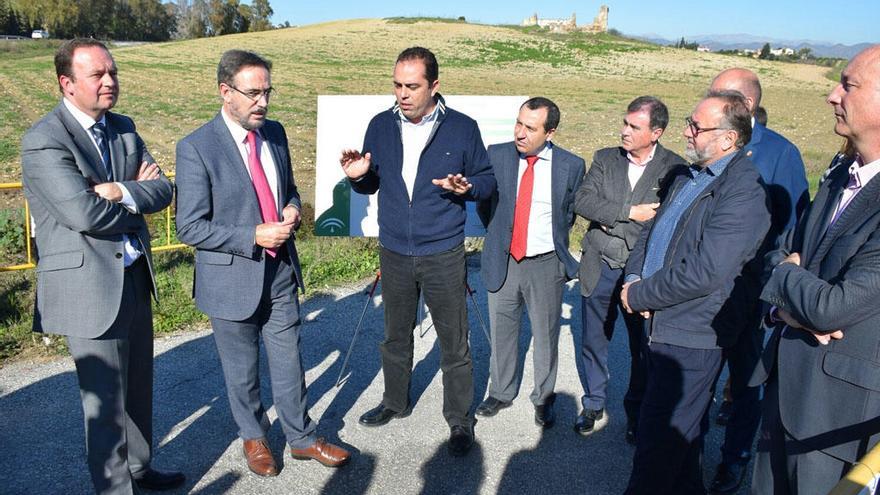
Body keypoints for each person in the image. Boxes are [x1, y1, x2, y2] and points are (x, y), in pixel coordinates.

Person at [175, 49, 350, 477]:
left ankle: (302, 438)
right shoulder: (196, 147)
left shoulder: (275, 133)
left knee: (290, 360)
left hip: (280, 272)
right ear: (225, 91)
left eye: (267, 91)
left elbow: (288, 189)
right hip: (230, 279)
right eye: (253, 93)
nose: (264, 102)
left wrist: (291, 208)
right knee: (242, 371)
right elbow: (189, 227)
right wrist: (250, 235)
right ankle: (254, 437)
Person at [20, 38, 182, 494]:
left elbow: (164, 190)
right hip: (87, 286)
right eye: (98, 75)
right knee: (106, 405)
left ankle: (140, 470)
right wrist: (133, 192)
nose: (110, 81)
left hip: (132, 274)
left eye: (112, 72)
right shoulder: (44, 140)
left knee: (138, 390)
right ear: (67, 83)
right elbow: (83, 215)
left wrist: (116, 190)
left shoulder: (123, 127)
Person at [339, 46, 495, 456]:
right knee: (394, 335)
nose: (402, 94)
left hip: (443, 250)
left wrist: (469, 188)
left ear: (435, 85)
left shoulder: (462, 128)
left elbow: (486, 180)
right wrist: (359, 177)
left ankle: (460, 421)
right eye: (396, 85)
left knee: (453, 342)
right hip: (393, 250)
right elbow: (371, 184)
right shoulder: (379, 125)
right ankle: (395, 401)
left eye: (412, 86)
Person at [620, 91, 771, 494]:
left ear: (727, 139)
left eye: (695, 126)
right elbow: (652, 231)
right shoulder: (690, 176)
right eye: (689, 121)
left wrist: (641, 295)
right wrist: (633, 277)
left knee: (655, 451)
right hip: (661, 324)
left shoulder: (744, 193)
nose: (686, 132)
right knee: (680, 449)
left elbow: (707, 272)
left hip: (691, 337)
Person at [751, 44, 880, 495]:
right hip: (783, 392)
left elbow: (832, 308)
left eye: (849, 84)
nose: (832, 94)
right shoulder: (840, 170)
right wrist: (787, 307)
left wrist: (786, 282)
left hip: (836, 418)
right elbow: (778, 253)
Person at [706, 68, 810, 494]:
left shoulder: (782, 154)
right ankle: (685, 450)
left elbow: (794, 228)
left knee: (747, 380)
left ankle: (734, 460)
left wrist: (772, 286)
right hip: (704, 285)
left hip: (750, 293)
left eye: (720, 94)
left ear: (746, 106)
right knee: (698, 375)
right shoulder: (713, 143)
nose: (710, 99)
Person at [573, 96, 686, 440]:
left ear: (656, 132)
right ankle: (593, 402)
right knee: (594, 339)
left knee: (642, 348)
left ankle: (637, 412)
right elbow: (583, 201)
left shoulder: (675, 169)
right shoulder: (605, 159)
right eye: (625, 123)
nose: (624, 131)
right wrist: (629, 212)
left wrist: (607, 219)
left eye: (634, 127)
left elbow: (667, 222)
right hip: (599, 265)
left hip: (641, 274)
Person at [474, 97, 584, 428]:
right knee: (503, 329)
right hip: (504, 258)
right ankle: (501, 392)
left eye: (530, 128)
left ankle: (543, 397)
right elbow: (486, 206)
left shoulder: (571, 165)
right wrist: (500, 238)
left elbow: (569, 215)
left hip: (545, 263)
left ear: (550, 132)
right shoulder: (497, 155)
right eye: (518, 123)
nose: (520, 133)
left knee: (546, 334)